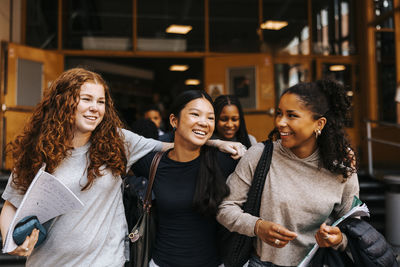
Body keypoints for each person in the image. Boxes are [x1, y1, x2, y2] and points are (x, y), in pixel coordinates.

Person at [0, 68, 244, 266]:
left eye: (101, 101)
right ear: (63, 102)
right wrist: (11, 240)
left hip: (108, 261)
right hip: (50, 262)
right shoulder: (37, 150)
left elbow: (170, 143)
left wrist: (217, 141)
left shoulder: (117, 141)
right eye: (86, 99)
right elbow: (10, 205)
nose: (95, 108)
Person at [217, 80, 360, 267]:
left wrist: (339, 239)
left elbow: (353, 224)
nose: (279, 122)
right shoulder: (259, 155)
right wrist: (258, 226)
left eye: (291, 115)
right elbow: (225, 208)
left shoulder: (341, 163)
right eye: (279, 113)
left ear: (319, 123)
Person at [132, 90, 238, 267]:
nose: (204, 122)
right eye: (195, 114)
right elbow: (115, 141)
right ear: (174, 120)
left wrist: (216, 144)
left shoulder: (224, 161)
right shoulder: (153, 163)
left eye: (210, 118)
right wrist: (214, 142)